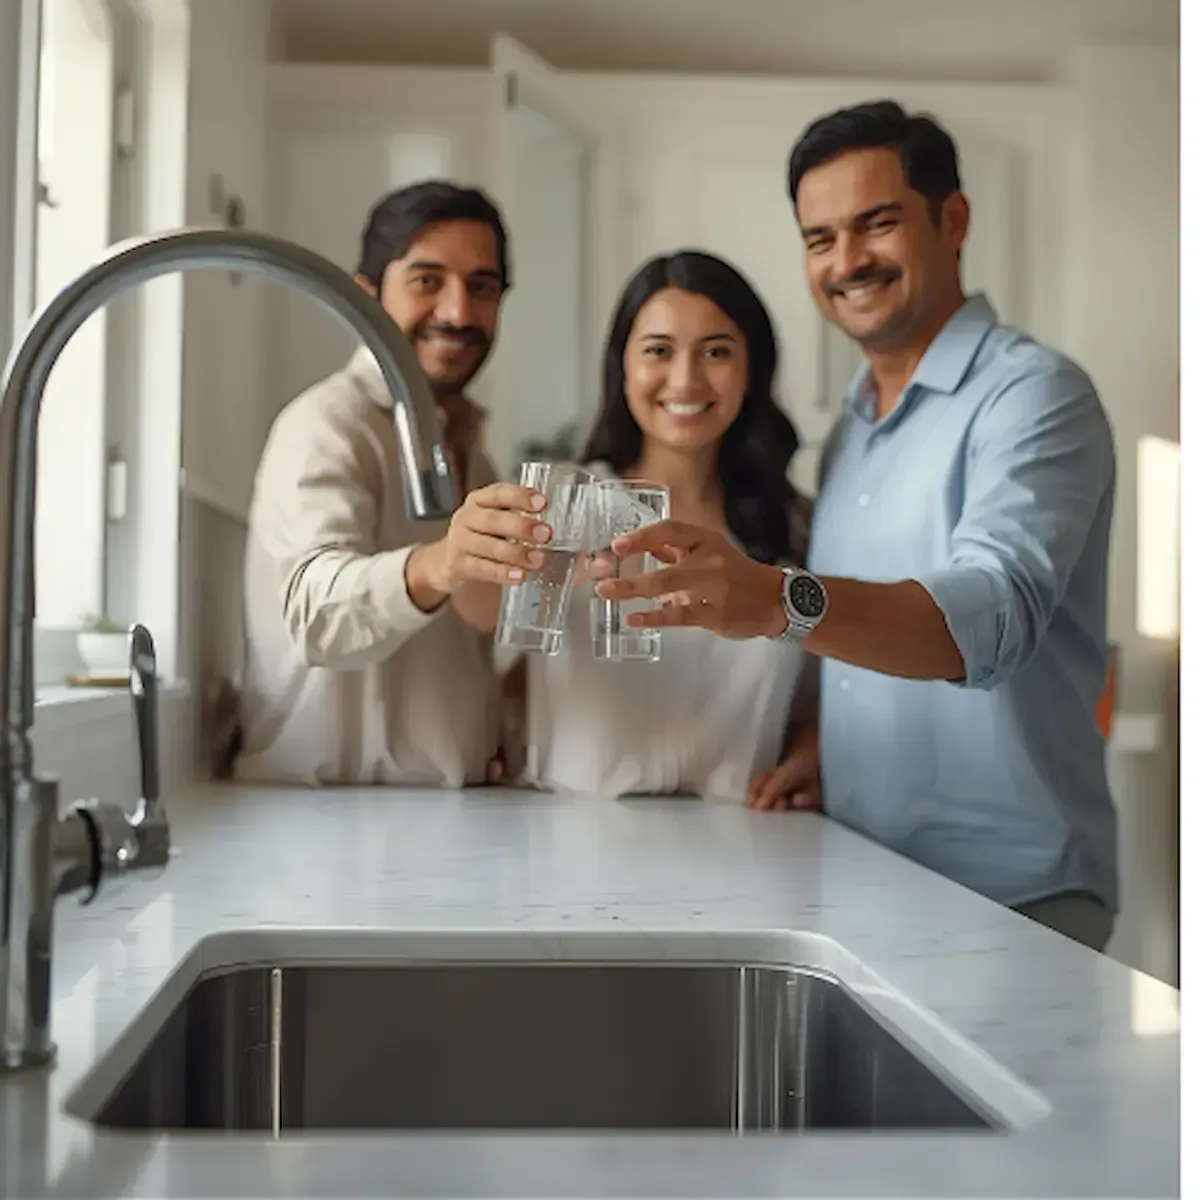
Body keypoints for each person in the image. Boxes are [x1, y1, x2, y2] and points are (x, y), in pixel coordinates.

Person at [597, 102, 1118, 951]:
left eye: (877, 225)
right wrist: (821, 743)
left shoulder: (1034, 396)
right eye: (819, 238)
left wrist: (774, 600)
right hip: (860, 876)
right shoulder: (851, 427)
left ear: (952, 220)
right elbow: (864, 642)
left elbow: (993, 613)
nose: (848, 262)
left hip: (1014, 895)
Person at [235, 181, 553, 787]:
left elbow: (466, 643)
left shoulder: (472, 456)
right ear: (365, 297)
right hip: (326, 831)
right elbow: (315, 615)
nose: (458, 313)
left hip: (439, 824)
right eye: (427, 281)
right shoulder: (327, 425)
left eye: (481, 287)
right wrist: (438, 565)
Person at [507, 250, 817, 804]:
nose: (686, 379)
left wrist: (819, 748)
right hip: (575, 843)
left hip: (750, 848)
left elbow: (828, 692)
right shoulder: (563, 504)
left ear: (753, 368)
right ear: (622, 366)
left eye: (716, 352)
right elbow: (492, 631)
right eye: (658, 351)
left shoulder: (795, 525)